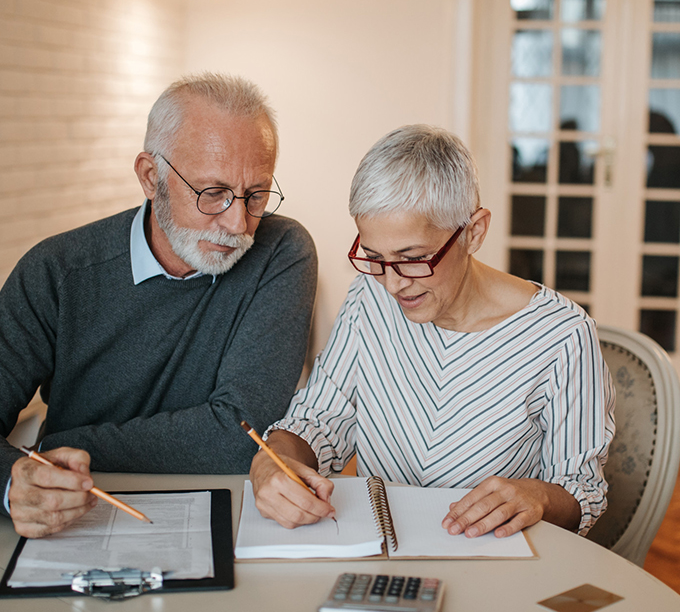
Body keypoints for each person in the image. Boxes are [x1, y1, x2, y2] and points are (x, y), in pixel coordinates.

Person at [0, 74, 317, 538]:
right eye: (213, 193)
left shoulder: (281, 251)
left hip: (229, 516)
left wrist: (61, 444)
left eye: (257, 194)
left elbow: (241, 436)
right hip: (75, 520)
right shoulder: (57, 271)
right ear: (152, 178)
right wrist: (14, 481)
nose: (238, 222)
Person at [250, 125, 614, 540]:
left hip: (493, 564)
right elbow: (318, 419)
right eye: (374, 257)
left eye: (413, 258)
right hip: (382, 556)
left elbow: (583, 493)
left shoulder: (563, 337)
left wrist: (540, 497)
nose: (393, 284)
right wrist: (273, 457)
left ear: (474, 232)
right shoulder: (370, 298)